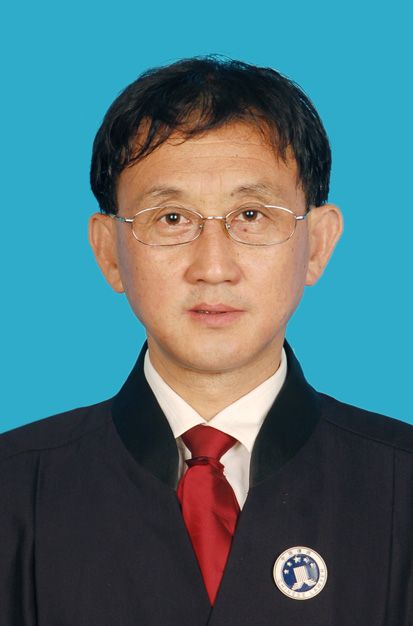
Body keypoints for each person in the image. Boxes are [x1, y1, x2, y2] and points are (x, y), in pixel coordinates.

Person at [1, 57, 412, 626]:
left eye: (251, 214)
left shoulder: (401, 485)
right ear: (108, 252)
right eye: (171, 218)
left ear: (317, 244)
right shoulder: (14, 490)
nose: (213, 267)